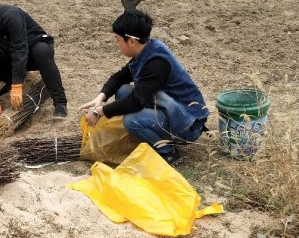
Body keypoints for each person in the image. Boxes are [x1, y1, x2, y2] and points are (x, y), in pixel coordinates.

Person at [80, 9, 208, 165]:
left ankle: (168, 152)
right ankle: (147, 137)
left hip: (186, 124)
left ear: (132, 41)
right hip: (169, 107)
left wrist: (99, 112)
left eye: (118, 40)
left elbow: (136, 101)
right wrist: (100, 97)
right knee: (122, 91)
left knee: (132, 121)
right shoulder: (147, 49)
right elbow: (120, 77)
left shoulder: (156, 62)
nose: (117, 44)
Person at [0, 5, 68, 119]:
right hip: (8, 55)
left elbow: (19, 50)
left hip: (31, 49)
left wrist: (17, 85)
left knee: (41, 52)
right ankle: (10, 81)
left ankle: (60, 103)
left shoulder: (9, 16)